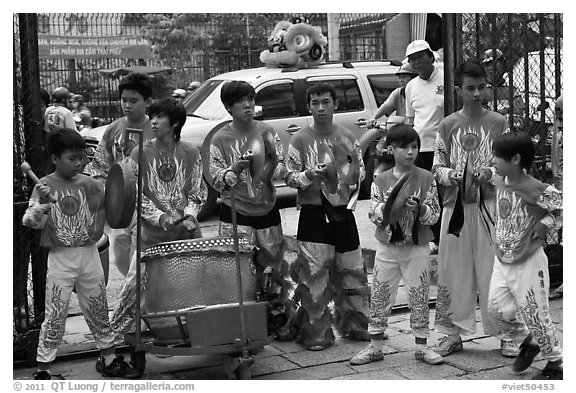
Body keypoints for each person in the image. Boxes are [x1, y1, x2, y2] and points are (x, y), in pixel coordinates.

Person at [426, 60, 520, 362]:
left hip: (492, 207)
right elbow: (437, 166)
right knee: (453, 270)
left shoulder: (499, 122)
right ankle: (450, 333)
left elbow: (510, 164)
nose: (477, 93)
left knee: (495, 269)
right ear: (458, 90)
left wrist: (490, 174)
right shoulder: (447, 124)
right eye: (470, 88)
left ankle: (507, 333)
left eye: (481, 87)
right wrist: (453, 175)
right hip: (455, 209)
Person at [108, 98, 206, 377]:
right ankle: (113, 347)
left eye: (159, 117)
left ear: (174, 123)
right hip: (150, 234)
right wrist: (161, 217)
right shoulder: (140, 152)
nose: (153, 121)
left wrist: (189, 215)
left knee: (191, 287)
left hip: (185, 232)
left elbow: (198, 192)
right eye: (152, 116)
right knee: (134, 289)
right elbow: (135, 196)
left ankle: (188, 336)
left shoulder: (190, 152)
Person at [22, 128, 125, 379]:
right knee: (56, 311)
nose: (79, 163)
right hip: (60, 257)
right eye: (72, 158)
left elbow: (110, 211)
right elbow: (30, 222)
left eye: (82, 158)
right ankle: (44, 369)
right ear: (55, 159)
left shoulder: (90, 184)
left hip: (89, 253)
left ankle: (109, 359)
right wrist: (43, 204)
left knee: (98, 307)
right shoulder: (43, 186)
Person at [285, 82, 370, 351]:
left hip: (343, 213)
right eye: (315, 103)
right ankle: (316, 331)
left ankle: (356, 325)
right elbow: (288, 177)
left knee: (352, 271)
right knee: (314, 275)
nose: (320, 108)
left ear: (335, 105)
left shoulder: (346, 137)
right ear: (308, 107)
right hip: (312, 214)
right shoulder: (299, 139)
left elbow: (360, 175)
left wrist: (341, 174)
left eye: (325, 102)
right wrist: (309, 176)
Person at [209, 80, 294, 340]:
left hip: (267, 210)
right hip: (235, 214)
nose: (247, 105)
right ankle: (241, 325)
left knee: (274, 269)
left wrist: (279, 167)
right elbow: (215, 178)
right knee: (236, 270)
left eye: (250, 99)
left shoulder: (266, 131)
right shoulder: (220, 138)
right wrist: (234, 169)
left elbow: (279, 169)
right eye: (240, 101)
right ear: (228, 107)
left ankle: (277, 319)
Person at [350, 125, 441, 365]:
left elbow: (434, 215)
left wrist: (420, 209)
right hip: (388, 247)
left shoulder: (427, 177)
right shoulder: (380, 180)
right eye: (404, 147)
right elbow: (374, 213)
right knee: (380, 293)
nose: (410, 152)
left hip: (417, 246)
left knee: (419, 294)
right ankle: (375, 346)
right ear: (391, 149)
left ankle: (422, 346)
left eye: (414, 147)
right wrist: (393, 206)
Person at [488, 131, 563, 380]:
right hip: (503, 257)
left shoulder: (536, 188)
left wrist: (545, 224)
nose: (493, 160)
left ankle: (556, 364)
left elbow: (562, 208)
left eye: (498, 156)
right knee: (497, 310)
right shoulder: (500, 180)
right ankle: (529, 341)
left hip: (529, 260)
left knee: (535, 313)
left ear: (516, 159)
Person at [84, 72, 154, 278]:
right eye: (124, 100)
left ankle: (141, 297)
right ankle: (134, 289)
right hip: (120, 203)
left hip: (149, 202)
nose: (127, 105)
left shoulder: (157, 128)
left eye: (134, 101)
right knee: (120, 250)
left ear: (147, 102)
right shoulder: (113, 129)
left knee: (142, 253)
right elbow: (100, 165)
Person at [404, 39, 445, 251]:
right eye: (412, 59)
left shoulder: (446, 77)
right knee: (426, 194)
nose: (417, 62)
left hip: (443, 148)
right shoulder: (411, 87)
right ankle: (434, 238)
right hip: (421, 148)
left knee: (445, 193)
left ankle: (449, 237)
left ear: (430, 56)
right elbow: (411, 121)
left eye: (420, 56)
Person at [365, 63, 418, 178]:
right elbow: (385, 107)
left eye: (405, 76)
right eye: (400, 76)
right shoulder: (398, 93)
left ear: (413, 77)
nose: (401, 79)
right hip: (399, 132)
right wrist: (373, 119)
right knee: (382, 148)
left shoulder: (417, 92)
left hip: (415, 132)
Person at [481, 49, 524, 123]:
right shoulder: (482, 91)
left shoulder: (512, 90)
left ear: (503, 64)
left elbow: (519, 113)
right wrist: (506, 112)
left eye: (494, 63)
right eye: (487, 64)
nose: (491, 67)